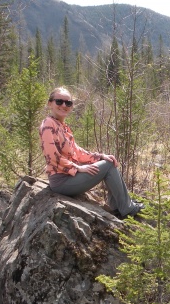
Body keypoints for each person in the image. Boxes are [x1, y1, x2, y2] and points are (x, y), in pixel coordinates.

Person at [39, 87, 142, 218]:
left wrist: (99, 157)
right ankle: (127, 209)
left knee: (108, 161)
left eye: (68, 103)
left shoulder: (62, 126)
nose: (64, 105)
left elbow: (77, 151)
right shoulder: (48, 124)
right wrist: (78, 168)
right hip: (61, 181)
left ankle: (118, 207)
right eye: (59, 101)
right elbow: (52, 156)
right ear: (50, 103)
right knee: (109, 165)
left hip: (70, 177)